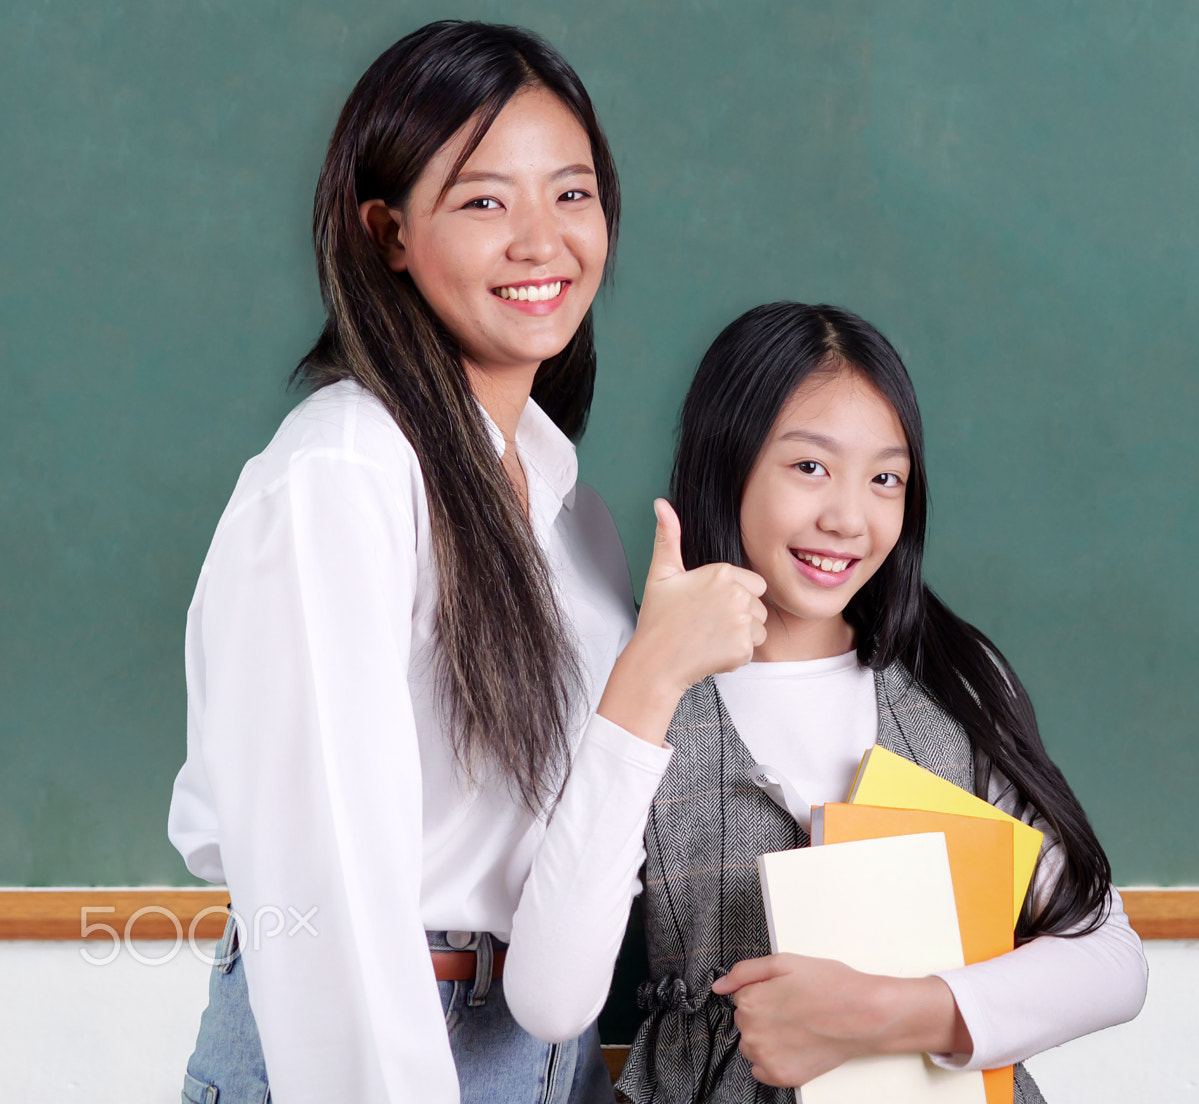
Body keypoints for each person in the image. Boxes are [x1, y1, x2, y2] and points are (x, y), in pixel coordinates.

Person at [167, 22, 767, 1104]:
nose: (542, 241)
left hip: (541, 1058)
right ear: (387, 232)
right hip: (377, 1045)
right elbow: (327, 890)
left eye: (572, 195)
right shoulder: (342, 472)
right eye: (485, 201)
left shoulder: (572, 516)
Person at [609, 302, 1148, 1102]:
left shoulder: (954, 685)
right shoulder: (641, 692)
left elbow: (1110, 960)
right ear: (728, 463)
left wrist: (885, 1011)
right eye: (810, 467)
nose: (848, 518)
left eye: (885, 478)